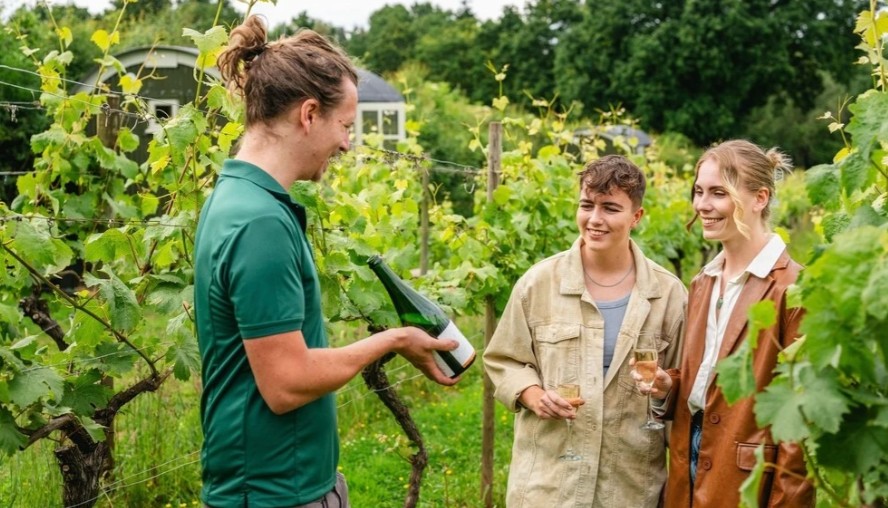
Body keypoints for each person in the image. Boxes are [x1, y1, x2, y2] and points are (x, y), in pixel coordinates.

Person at [193, 16, 459, 508]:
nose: (347, 144)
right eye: (346, 126)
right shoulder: (259, 222)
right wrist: (396, 338)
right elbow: (286, 384)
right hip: (275, 493)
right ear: (309, 114)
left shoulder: (241, 198)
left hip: (281, 483)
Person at [483, 155, 687, 507]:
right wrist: (533, 395)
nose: (595, 219)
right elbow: (504, 360)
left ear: (636, 217)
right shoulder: (538, 283)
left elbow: (685, 385)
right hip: (549, 484)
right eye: (586, 205)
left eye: (610, 208)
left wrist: (666, 386)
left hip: (630, 486)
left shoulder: (668, 295)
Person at [641, 139, 815, 507]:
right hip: (688, 455)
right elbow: (707, 383)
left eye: (719, 193)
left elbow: (799, 425)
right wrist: (668, 386)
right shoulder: (703, 281)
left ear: (760, 198)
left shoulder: (792, 289)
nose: (702, 205)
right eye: (699, 191)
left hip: (747, 476)